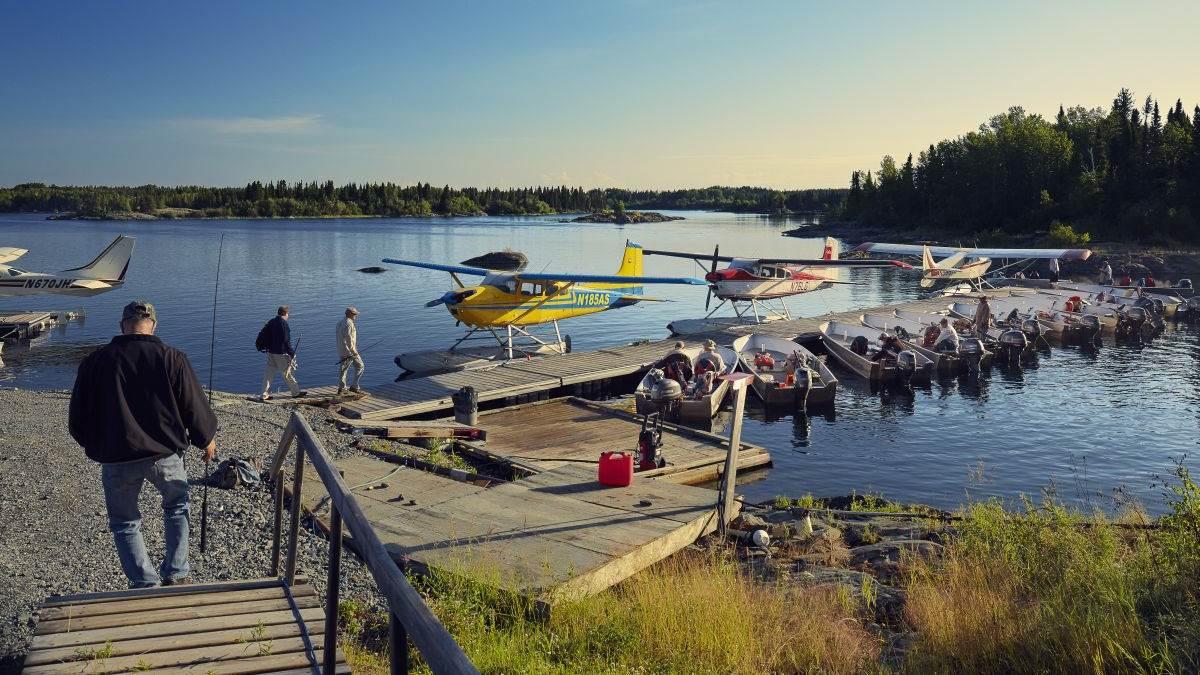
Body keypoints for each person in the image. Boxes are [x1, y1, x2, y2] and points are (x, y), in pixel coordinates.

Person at [69, 300, 218, 588]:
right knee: (177, 507)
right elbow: (194, 406)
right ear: (154, 325)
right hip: (165, 454)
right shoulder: (172, 358)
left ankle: (143, 582)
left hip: (116, 457)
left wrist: (95, 445)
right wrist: (206, 439)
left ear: (122, 325)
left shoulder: (96, 361)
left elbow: (78, 418)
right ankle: (175, 573)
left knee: (125, 522)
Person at [261, 306, 305, 401]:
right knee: (287, 373)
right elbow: (286, 341)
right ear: (285, 314)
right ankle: (295, 392)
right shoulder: (283, 324)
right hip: (280, 353)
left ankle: (264, 394)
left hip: (270, 352)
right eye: (288, 314)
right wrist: (291, 353)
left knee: (269, 374)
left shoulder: (271, 321)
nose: (288, 316)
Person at [336, 306, 364, 395]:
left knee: (343, 369)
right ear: (350, 314)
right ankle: (354, 387)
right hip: (350, 352)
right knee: (360, 366)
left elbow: (340, 338)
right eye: (355, 314)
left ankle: (342, 388)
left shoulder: (340, 322)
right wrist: (353, 351)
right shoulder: (349, 324)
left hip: (341, 350)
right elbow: (348, 338)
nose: (356, 316)